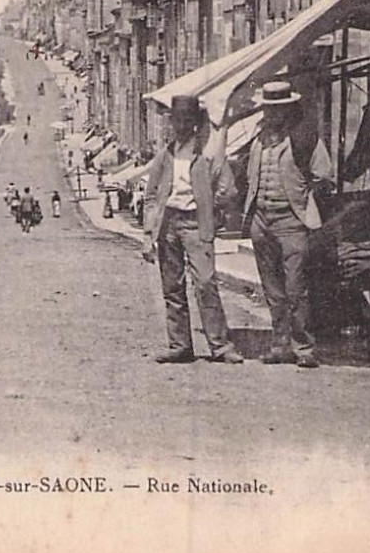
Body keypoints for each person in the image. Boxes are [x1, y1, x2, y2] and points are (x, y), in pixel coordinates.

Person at [142, 95, 243, 365]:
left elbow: (227, 188)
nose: (181, 126)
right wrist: (148, 234)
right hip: (168, 225)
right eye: (177, 120)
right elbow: (151, 196)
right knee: (172, 287)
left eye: (187, 120)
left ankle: (220, 346)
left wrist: (211, 208)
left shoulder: (207, 154)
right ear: (171, 123)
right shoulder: (165, 156)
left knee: (206, 283)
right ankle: (179, 346)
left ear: (196, 123)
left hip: (196, 223)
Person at [244, 80, 334, 369]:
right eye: (268, 109)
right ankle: (279, 345)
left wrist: (303, 198)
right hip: (261, 219)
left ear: (289, 108)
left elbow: (323, 175)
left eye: (278, 109)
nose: (272, 115)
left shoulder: (305, 137)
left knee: (296, 288)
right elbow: (250, 175)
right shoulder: (258, 138)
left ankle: (304, 347)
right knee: (272, 288)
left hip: (291, 221)